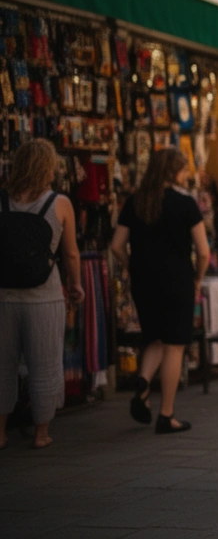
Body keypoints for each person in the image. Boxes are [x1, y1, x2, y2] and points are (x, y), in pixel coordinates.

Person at [110, 148, 210, 435]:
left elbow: (117, 245)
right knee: (175, 345)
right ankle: (166, 415)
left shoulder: (135, 202)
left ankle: (143, 382)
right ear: (173, 171)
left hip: (144, 282)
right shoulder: (185, 203)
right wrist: (198, 279)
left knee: (154, 338)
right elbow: (203, 252)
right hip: (178, 280)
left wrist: (133, 267)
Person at [0, 140, 82, 450]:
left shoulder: (2, 201)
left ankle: (1, 431)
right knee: (45, 363)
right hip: (44, 295)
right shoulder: (59, 204)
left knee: (2, 365)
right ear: (48, 168)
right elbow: (71, 254)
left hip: (4, 295)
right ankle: (41, 432)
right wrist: (75, 287)